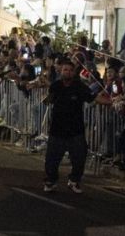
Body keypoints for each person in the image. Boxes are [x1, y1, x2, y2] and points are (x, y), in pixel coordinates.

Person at [43, 57, 94, 194]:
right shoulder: (56, 86)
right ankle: (51, 180)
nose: (68, 72)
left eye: (71, 70)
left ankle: (74, 180)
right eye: (66, 70)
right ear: (61, 71)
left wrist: (110, 101)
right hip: (57, 128)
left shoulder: (79, 87)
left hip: (75, 129)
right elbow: (48, 99)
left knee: (79, 158)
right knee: (52, 159)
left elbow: (92, 98)